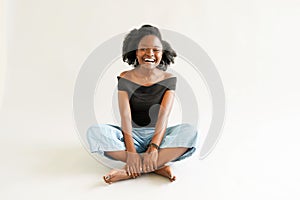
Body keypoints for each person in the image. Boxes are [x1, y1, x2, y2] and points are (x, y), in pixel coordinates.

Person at [87, 25, 198, 184]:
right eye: (144, 49)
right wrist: (131, 151)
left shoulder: (169, 79)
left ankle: (133, 169)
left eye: (155, 49)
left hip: (159, 137)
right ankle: (156, 166)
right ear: (135, 51)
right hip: (132, 135)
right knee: (94, 132)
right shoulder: (125, 77)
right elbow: (125, 115)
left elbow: (163, 116)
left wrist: (153, 147)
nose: (150, 54)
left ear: (162, 52)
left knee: (191, 132)